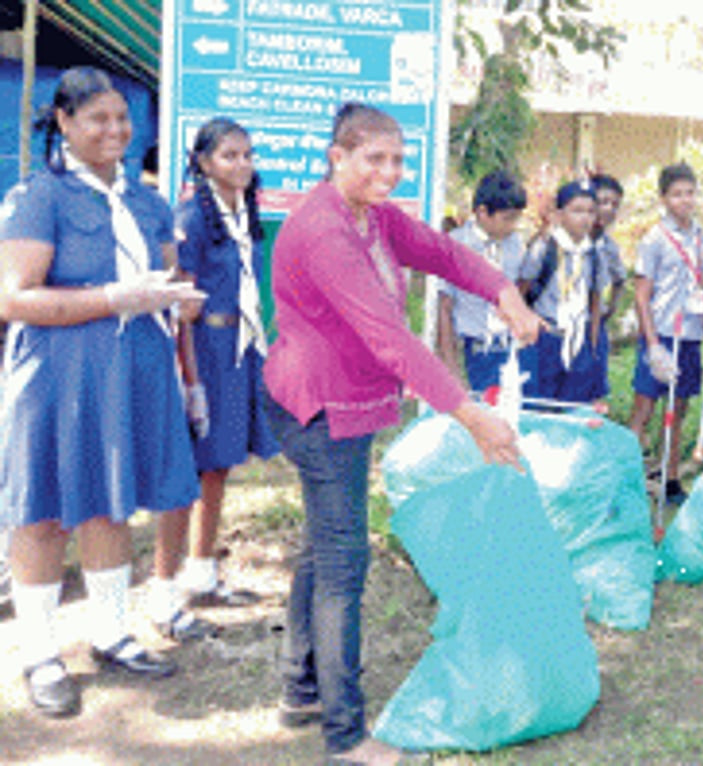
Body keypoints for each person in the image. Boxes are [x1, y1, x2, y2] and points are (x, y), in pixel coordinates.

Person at [263, 102, 541, 763]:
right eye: (373, 159)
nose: (389, 172)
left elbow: (443, 252)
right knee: (342, 564)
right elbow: (391, 341)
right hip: (319, 407)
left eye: (396, 159)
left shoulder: (377, 219)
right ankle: (345, 737)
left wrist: (503, 289)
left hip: (342, 403)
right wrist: (471, 415)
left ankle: (301, 688)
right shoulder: (326, 231)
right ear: (337, 157)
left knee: (322, 548)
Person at [0, 66, 206, 717]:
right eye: (99, 119)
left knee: (110, 502)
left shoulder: (147, 202)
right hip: (59, 373)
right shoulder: (40, 197)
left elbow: (168, 278)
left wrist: (178, 300)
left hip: (132, 373)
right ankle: (40, 652)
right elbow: (14, 298)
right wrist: (116, 297)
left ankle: (111, 633)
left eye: (123, 119)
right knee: (43, 511)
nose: (116, 130)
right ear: (63, 122)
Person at [152, 118, 281, 621]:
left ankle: (202, 574)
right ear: (204, 162)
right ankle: (163, 593)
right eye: (230, 156)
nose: (243, 165)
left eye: (248, 155)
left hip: (240, 348)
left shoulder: (241, 212)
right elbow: (181, 307)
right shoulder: (192, 217)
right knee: (188, 469)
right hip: (203, 349)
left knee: (219, 463)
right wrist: (192, 379)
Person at [628, 163, 703, 505]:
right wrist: (652, 345)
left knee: (678, 409)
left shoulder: (702, 238)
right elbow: (641, 294)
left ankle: (671, 477)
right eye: (677, 194)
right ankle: (630, 478)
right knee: (645, 409)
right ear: (664, 198)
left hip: (690, 335)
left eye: (690, 193)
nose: (685, 200)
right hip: (662, 333)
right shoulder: (654, 238)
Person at [436, 169, 534, 393]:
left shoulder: (515, 243)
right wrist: (452, 368)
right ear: (482, 212)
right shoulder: (456, 245)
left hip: (512, 347)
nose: (513, 225)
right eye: (507, 219)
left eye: (517, 218)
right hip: (477, 349)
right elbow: (444, 307)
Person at [519, 179, 605, 404]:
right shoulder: (544, 248)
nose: (585, 218)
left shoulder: (594, 252)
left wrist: (593, 346)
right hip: (546, 337)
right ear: (559, 215)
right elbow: (521, 292)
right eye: (577, 211)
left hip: (578, 339)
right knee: (541, 405)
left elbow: (595, 301)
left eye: (590, 212)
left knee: (574, 407)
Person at [583, 172, 627, 404]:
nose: (608, 209)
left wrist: (610, 308)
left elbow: (620, 279)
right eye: (602, 202)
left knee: (593, 395)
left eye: (614, 205)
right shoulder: (566, 242)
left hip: (594, 327)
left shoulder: (608, 246)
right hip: (562, 328)